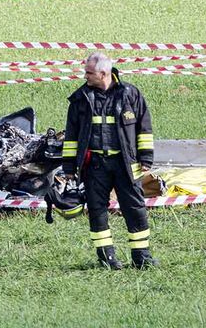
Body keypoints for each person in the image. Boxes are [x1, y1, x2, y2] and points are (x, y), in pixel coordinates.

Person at [61, 52, 158, 269]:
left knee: (135, 208)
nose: (85, 76)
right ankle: (107, 258)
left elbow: (144, 129)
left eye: (89, 73)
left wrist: (146, 158)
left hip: (126, 164)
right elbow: (71, 136)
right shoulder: (80, 99)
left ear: (103, 73)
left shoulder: (130, 94)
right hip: (95, 165)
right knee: (97, 211)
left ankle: (142, 257)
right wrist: (68, 166)